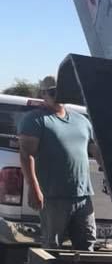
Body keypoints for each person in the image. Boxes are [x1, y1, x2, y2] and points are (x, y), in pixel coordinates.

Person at [18, 75, 99, 250]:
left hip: (83, 195)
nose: (59, 95)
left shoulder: (82, 120)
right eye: (54, 92)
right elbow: (26, 155)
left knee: (87, 246)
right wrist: (34, 188)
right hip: (53, 198)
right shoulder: (35, 120)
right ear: (43, 94)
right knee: (52, 247)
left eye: (62, 91)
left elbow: (96, 151)